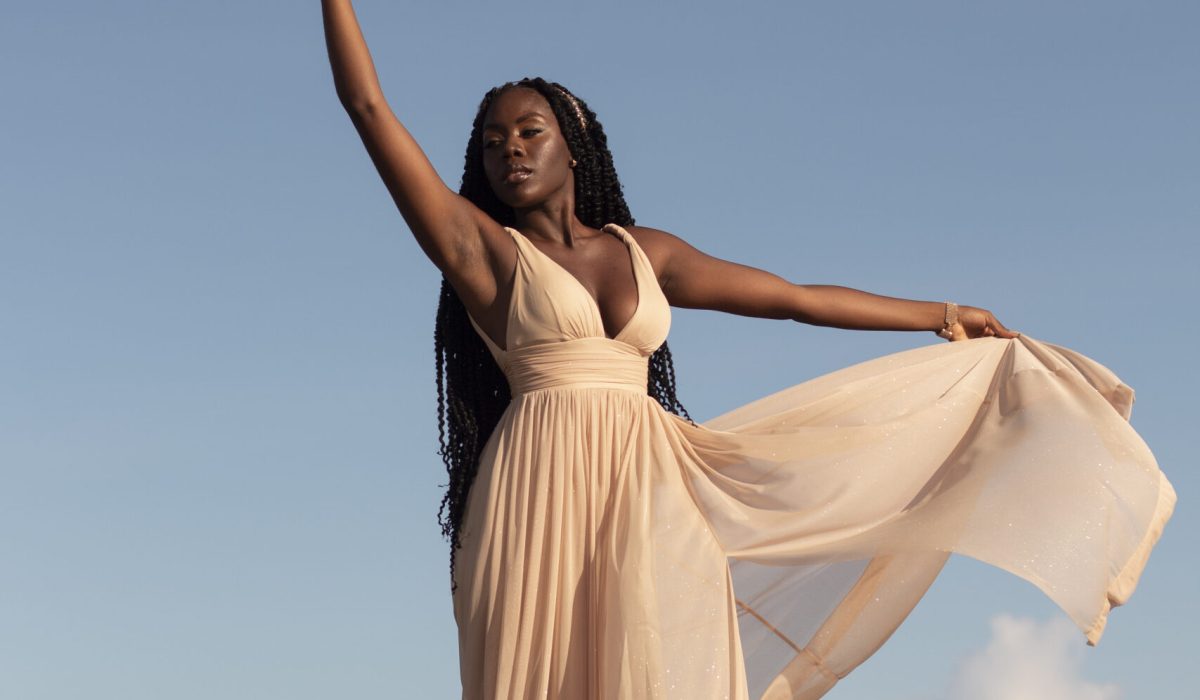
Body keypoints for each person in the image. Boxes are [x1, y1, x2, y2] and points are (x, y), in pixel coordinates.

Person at [322, 3, 1176, 698]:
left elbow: (793, 298)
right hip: (534, 492)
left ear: (572, 144)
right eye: (491, 140)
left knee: (661, 669)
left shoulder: (643, 250)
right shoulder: (484, 255)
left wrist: (941, 311)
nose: (508, 148)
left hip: (647, 484)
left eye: (529, 131)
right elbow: (367, 108)